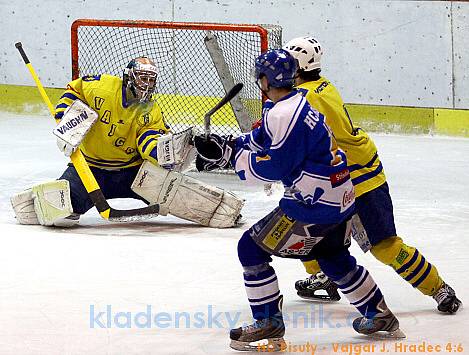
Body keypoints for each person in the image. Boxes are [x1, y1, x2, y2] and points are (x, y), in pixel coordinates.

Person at [193, 49, 405, 351]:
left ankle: (268, 324)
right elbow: (268, 137)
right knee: (332, 257)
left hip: (314, 203)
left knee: (250, 249)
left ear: (265, 79)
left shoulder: (282, 112)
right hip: (342, 196)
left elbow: (277, 168)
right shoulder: (296, 102)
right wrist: (229, 145)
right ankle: (379, 315)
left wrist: (233, 161)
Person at [283, 36, 461, 314]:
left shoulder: (304, 98)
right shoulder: (320, 85)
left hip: (356, 177)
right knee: (303, 224)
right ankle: (323, 276)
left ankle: (438, 287)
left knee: (384, 246)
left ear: (297, 67)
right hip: (343, 172)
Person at [11, 57, 243, 228]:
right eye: (143, 78)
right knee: (57, 215)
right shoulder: (101, 86)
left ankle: (221, 210)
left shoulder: (150, 110)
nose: (148, 85)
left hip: (133, 171)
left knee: (174, 190)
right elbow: (74, 91)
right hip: (89, 169)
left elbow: (149, 141)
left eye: (152, 80)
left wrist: (171, 150)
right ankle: (36, 202)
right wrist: (67, 124)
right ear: (129, 76)